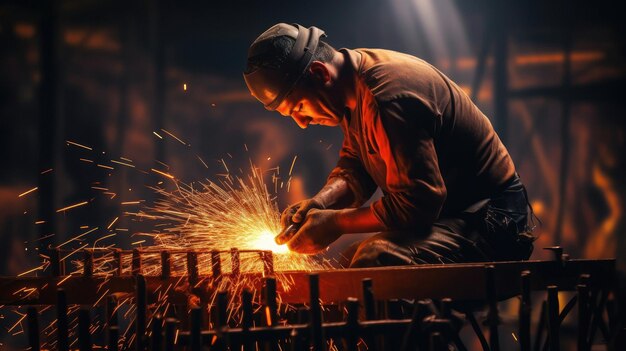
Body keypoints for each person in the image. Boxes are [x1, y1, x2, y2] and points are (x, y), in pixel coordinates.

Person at [243, 23, 535, 267]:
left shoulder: (388, 97)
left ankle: (419, 337)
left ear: (320, 74)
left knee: (375, 260)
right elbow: (358, 167)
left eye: (300, 108)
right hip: (453, 217)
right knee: (346, 266)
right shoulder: (350, 87)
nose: (302, 122)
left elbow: (418, 203)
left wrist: (335, 224)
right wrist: (321, 204)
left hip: (492, 221)